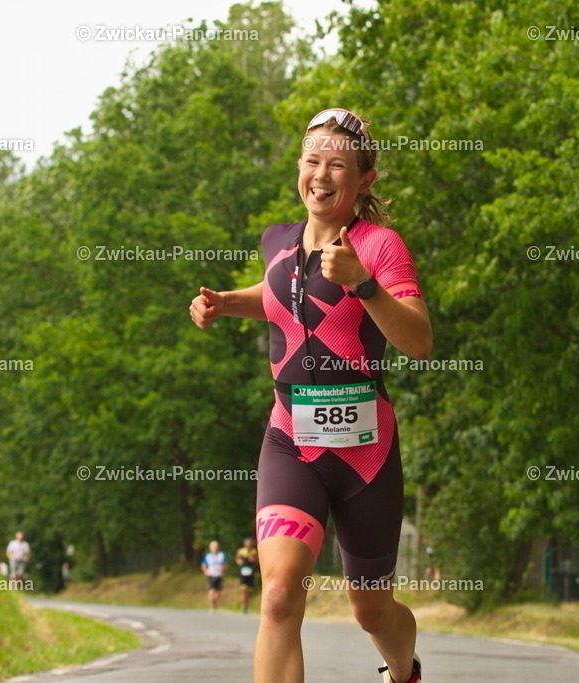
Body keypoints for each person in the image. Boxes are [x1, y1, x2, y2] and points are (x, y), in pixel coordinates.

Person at [189, 107, 431, 683]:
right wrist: (226, 301)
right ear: (299, 167)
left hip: (364, 454)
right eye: (312, 161)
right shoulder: (277, 240)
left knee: (370, 610)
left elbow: (418, 341)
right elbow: (280, 296)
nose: (321, 175)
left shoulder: (379, 246)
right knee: (277, 597)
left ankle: (403, 671)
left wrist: (361, 282)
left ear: (365, 178)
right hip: (290, 442)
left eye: (338, 165)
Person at [201, 540, 228, 613]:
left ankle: (214, 604)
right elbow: (203, 565)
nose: (215, 548)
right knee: (211, 591)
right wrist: (205, 571)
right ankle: (211, 608)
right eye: (213, 547)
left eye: (216, 547)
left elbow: (226, 564)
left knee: (218, 594)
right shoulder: (208, 556)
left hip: (219, 575)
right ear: (210, 548)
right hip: (211, 575)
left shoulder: (222, 555)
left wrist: (224, 568)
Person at [236, 537, 259, 614]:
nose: (248, 544)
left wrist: (253, 560)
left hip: (251, 572)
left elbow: (257, 562)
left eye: (250, 543)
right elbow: (237, 560)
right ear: (245, 544)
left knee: (249, 591)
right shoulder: (240, 551)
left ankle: (247, 605)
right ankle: (243, 607)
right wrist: (240, 562)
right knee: (243, 590)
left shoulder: (254, 551)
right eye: (247, 543)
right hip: (243, 572)